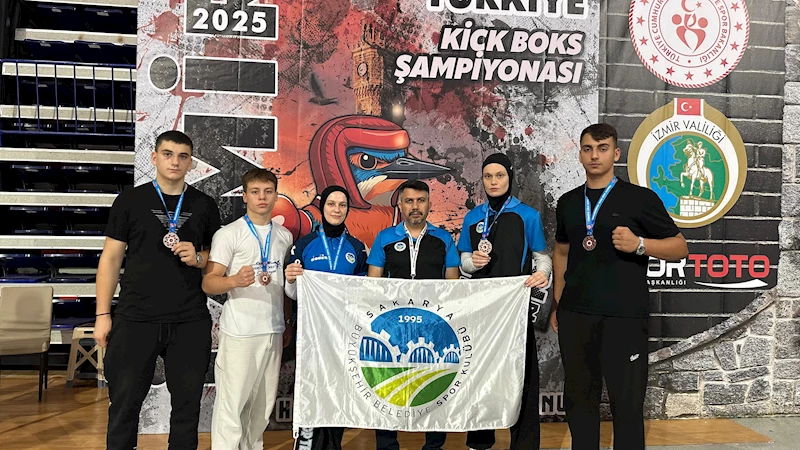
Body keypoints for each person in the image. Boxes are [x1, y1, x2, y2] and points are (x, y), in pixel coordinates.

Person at [549, 123, 688, 450]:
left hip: (624, 317)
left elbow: (680, 247)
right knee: (579, 402)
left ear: (616, 153)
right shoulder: (568, 202)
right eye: (588, 149)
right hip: (576, 315)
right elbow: (562, 251)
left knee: (626, 405)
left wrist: (640, 244)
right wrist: (559, 303)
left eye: (602, 148)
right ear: (580, 154)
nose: (594, 156)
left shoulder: (640, 199)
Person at [95, 130, 220, 450]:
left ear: (191, 163)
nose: (174, 161)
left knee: (187, 409)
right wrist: (102, 315)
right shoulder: (130, 201)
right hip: (136, 317)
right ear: (154, 158)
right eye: (167, 154)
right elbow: (110, 259)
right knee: (124, 405)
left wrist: (199, 258)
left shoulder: (205, 205)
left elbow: (217, 260)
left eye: (182, 156)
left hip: (189, 318)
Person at [457, 153, 551, 450]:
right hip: (481, 311)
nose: (493, 182)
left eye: (499, 176)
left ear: (510, 177)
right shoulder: (473, 217)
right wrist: (472, 262)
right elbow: (463, 262)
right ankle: (478, 443)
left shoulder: (527, 216)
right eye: (488, 176)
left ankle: (524, 445)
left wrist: (543, 273)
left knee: (523, 378)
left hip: (514, 312)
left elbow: (542, 257)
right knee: (478, 375)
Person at [202, 168, 294, 450]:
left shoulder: (284, 235)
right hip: (240, 331)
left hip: (273, 329)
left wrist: (286, 322)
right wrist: (233, 281)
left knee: (262, 408)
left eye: (268, 191)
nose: (262, 197)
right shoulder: (229, 234)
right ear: (244, 196)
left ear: (276, 195)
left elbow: (284, 286)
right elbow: (208, 282)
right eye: (255, 192)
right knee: (232, 406)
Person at [366, 179, 460, 450]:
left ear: (429, 204)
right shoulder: (385, 238)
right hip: (393, 326)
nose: (415, 206)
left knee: (434, 387)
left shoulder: (443, 239)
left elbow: (453, 287)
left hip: (433, 327)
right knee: (386, 387)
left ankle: (434, 446)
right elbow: (373, 285)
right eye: (409, 201)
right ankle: (386, 446)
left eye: (421, 200)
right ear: (400, 204)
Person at [284, 185, 369, 450]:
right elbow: (293, 293)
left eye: (342, 205)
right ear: (322, 207)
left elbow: (362, 292)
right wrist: (290, 280)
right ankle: (307, 445)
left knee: (338, 391)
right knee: (311, 389)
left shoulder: (357, 248)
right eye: (331, 204)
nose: (336, 210)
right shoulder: (304, 245)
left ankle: (333, 445)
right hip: (310, 333)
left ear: (348, 209)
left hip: (343, 334)